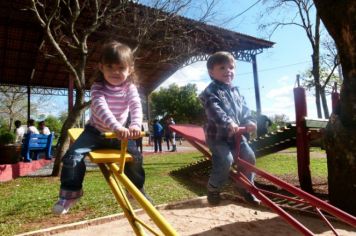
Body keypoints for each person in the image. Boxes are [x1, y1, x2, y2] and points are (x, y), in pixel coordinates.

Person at [52, 41, 149, 215]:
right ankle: (71, 193)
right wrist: (118, 127)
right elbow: (101, 108)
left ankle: (136, 189)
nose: (115, 72)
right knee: (72, 157)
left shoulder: (130, 88)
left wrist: (135, 124)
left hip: (119, 135)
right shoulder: (98, 88)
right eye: (110, 67)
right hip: (95, 133)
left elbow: (136, 106)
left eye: (121, 68)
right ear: (101, 67)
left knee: (136, 158)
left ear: (130, 69)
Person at [199, 51, 260, 205]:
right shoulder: (210, 92)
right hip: (218, 137)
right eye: (222, 68)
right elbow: (215, 111)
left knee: (249, 158)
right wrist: (228, 123)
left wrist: (250, 121)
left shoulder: (236, 91)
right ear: (211, 72)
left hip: (237, 136)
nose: (228, 71)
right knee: (226, 160)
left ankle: (245, 187)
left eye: (231, 67)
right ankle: (213, 188)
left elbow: (245, 110)